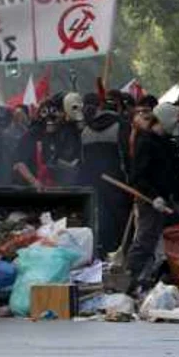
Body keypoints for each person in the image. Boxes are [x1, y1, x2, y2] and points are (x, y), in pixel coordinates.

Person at [127, 102, 179, 293]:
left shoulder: (164, 141)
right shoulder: (146, 142)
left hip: (168, 199)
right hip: (150, 201)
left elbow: (176, 169)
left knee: (174, 236)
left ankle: (160, 276)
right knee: (146, 239)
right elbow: (137, 177)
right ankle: (129, 280)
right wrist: (154, 197)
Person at [80, 96, 131, 256]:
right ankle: (124, 251)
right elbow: (126, 157)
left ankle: (106, 252)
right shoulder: (121, 126)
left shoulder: (85, 131)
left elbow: (84, 161)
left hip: (96, 183)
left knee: (103, 219)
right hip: (118, 182)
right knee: (121, 219)